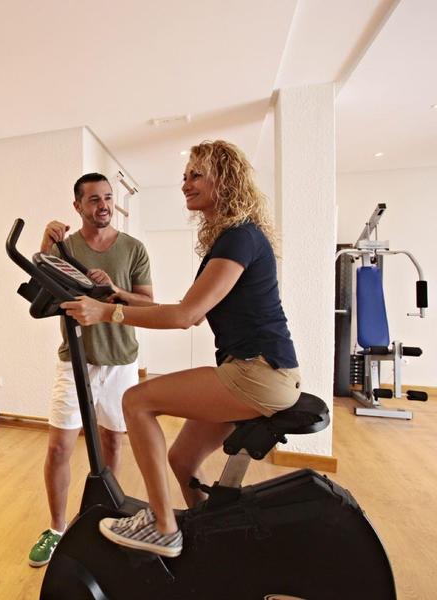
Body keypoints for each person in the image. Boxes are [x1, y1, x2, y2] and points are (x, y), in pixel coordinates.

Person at [60, 141, 301, 558]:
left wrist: (107, 313)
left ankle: (163, 527)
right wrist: (119, 295)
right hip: (257, 372)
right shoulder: (234, 238)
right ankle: (212, 541)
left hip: (257, 374)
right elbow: (189, 310)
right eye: (185, 176)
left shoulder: (239, 238)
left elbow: (186, 315)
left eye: (196, 175)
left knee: (136, 400)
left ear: (224, 180)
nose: (186, 183)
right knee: (183, 459)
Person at [28, 172, 153, 567]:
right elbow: (38, 290)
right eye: (94, 199)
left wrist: (115, 290)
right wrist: (45, 245)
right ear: (78, 205)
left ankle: (106, 517)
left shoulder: (133, 249)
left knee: (113, 443)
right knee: (58, 447)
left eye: (108, 198)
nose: (104, 205)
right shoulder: (64, 247)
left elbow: (148, 304)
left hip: (120, 361)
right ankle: (56, 528)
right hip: (75, 360)